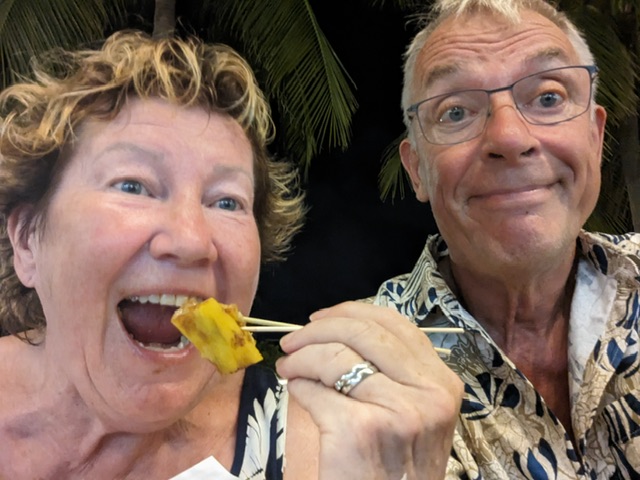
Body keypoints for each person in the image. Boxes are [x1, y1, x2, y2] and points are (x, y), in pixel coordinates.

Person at [0, 30, 462, 479]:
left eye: (226, 202)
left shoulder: (327, 452)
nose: (191, 242)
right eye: (133, 186)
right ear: (27, 241)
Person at [366, 0, 640, 477]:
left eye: (548, 98)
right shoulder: (368, 367)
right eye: (455, 112)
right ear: (417, 170)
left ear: (596, 138)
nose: (510, 138)